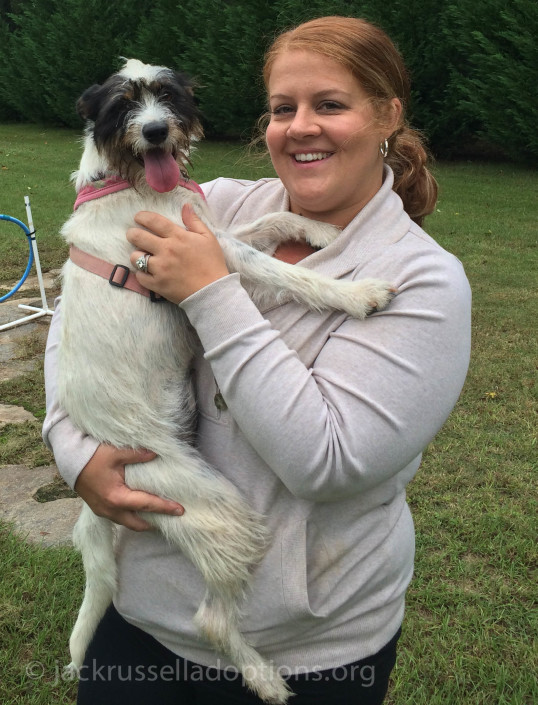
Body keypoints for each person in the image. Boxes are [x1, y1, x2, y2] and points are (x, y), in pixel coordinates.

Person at [43, 16, 471, 705]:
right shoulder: (218, 200)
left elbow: (326, 462)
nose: (301, 126)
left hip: (313, 653)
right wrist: (76, 454)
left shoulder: (425, 282)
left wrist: (210, 290)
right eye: (283, 108)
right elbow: (80, 309)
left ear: (388, 115)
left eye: (329, 104)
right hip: (145, 619)